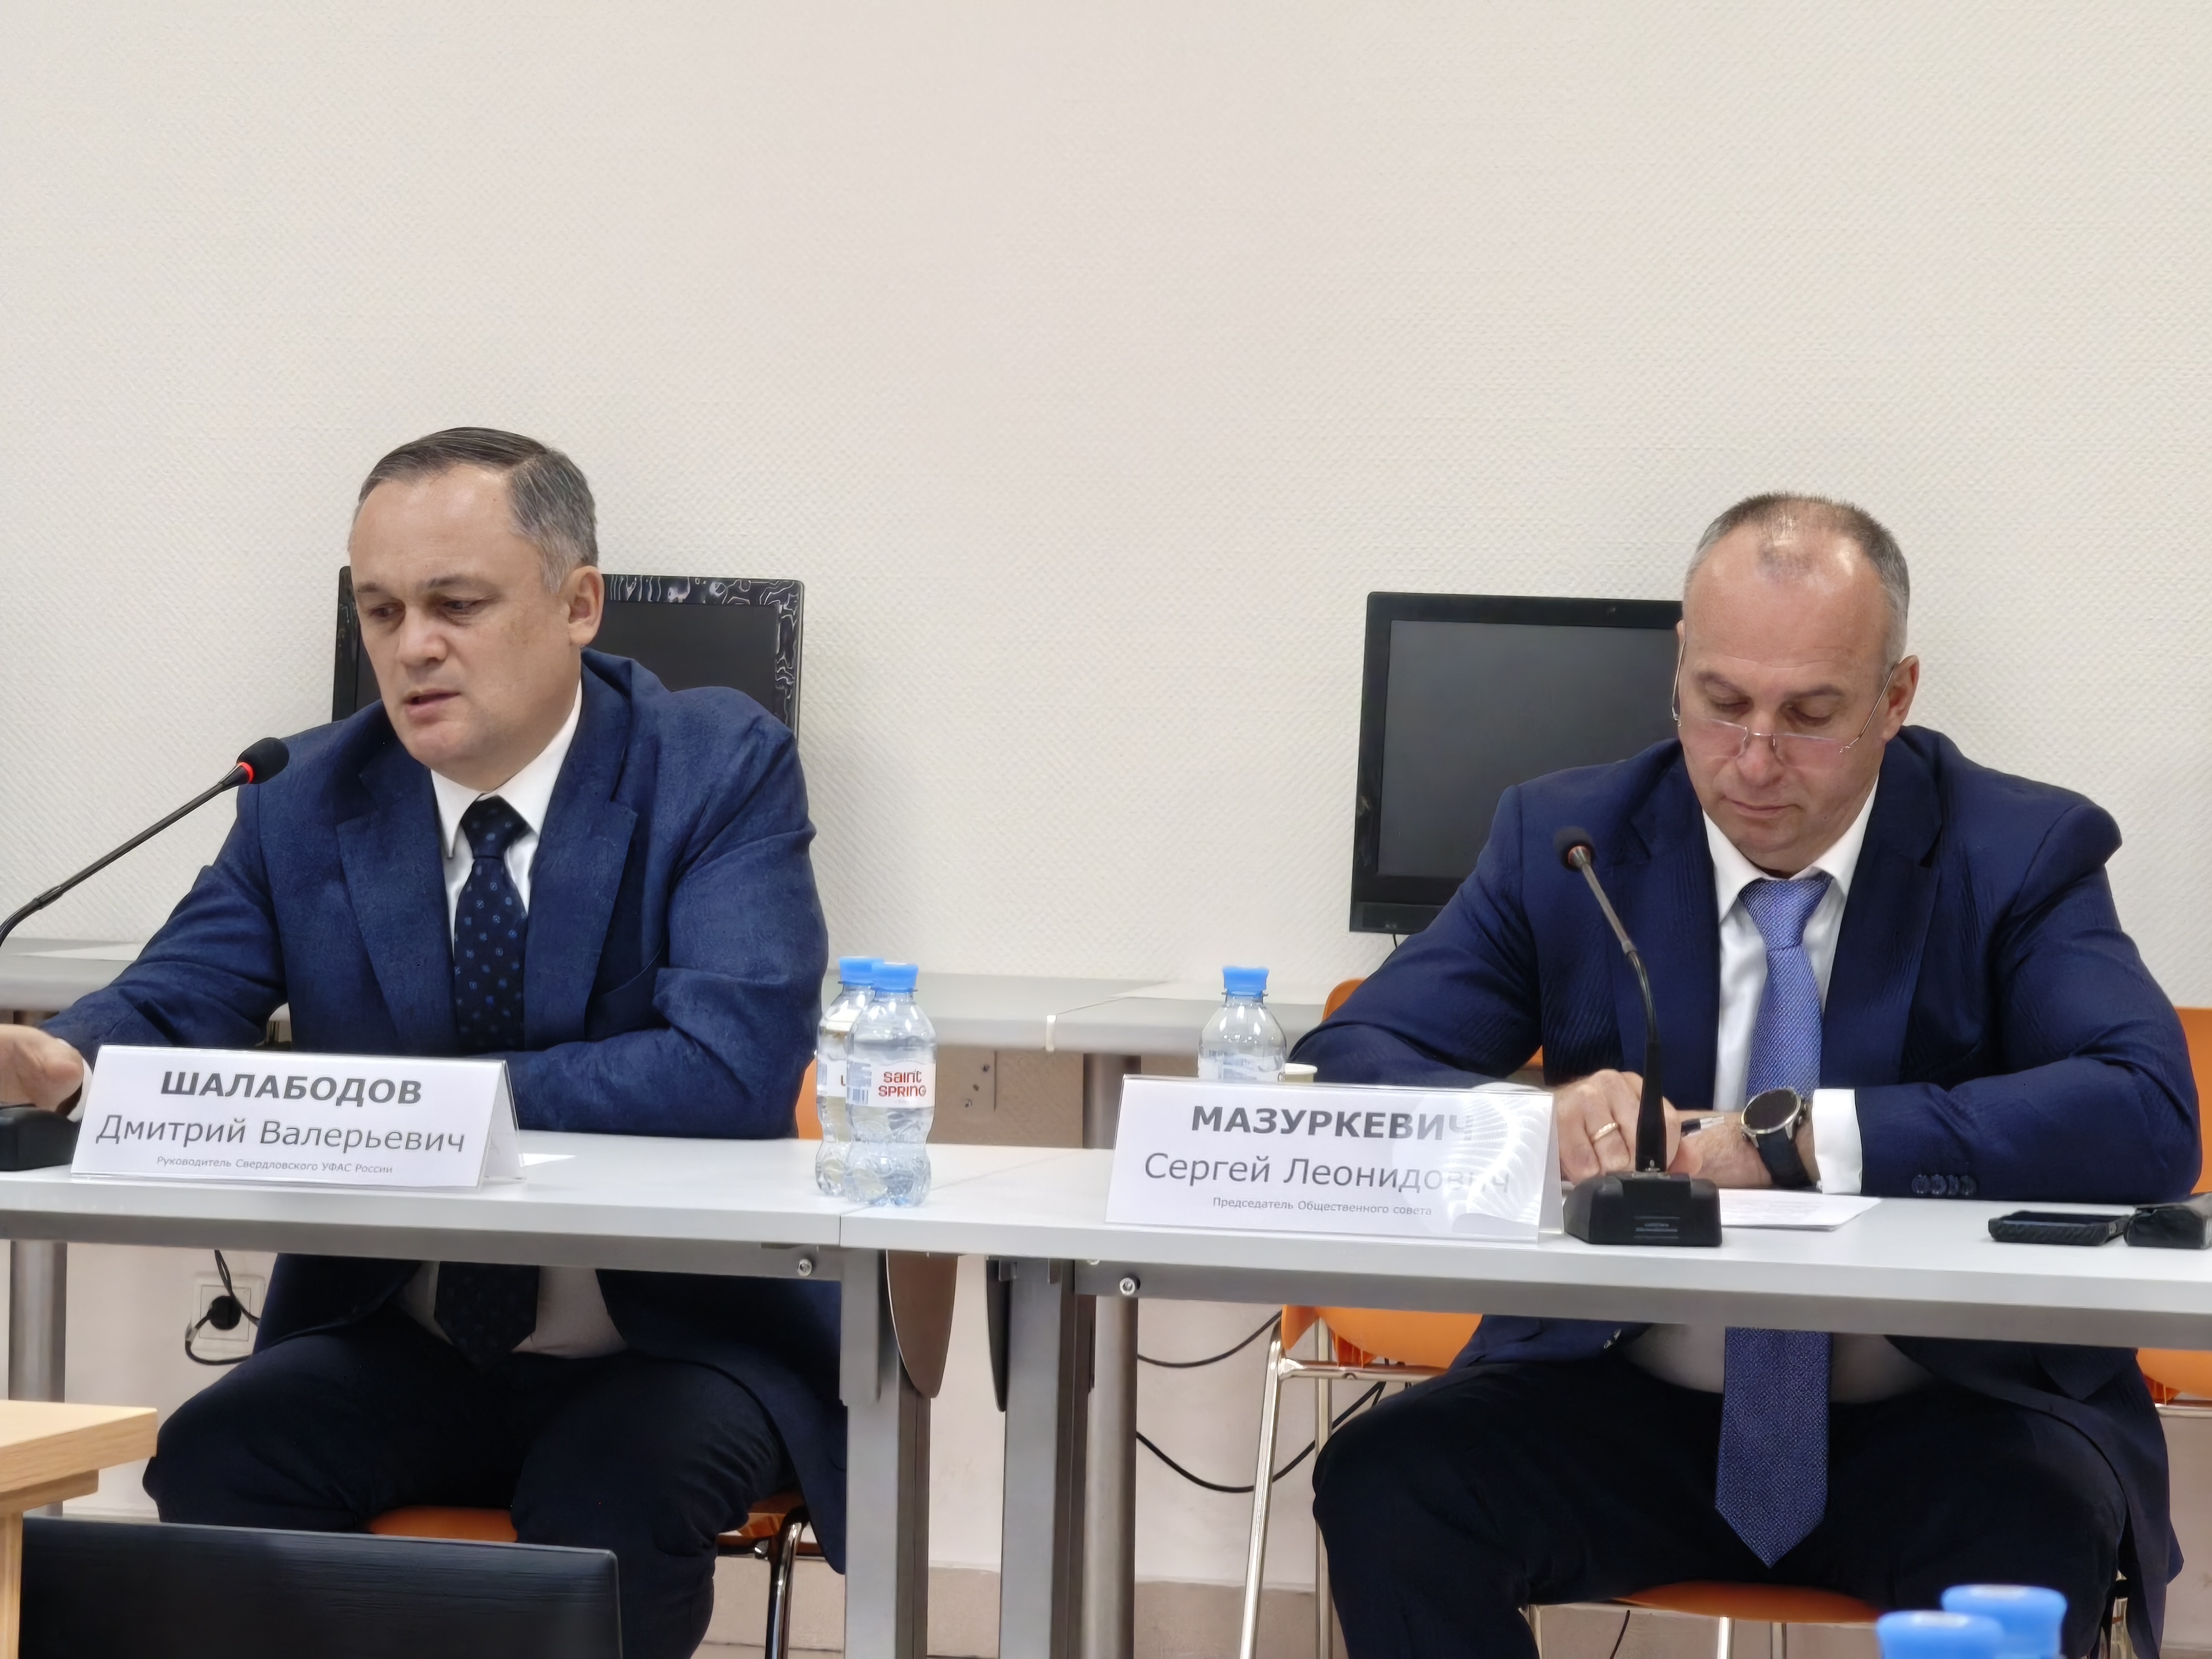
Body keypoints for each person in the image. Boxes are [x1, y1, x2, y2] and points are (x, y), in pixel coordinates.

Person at [1296, 495, 2198, 1659]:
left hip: (1946, 1416)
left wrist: (1797, 1139)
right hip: (1626, 1398)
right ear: (1678, 667)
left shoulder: (2017, 850)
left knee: (2042, 1522)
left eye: (1811, 716)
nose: (1755, 760)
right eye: (1721, 704)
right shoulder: (1569, 842)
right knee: (1391, 1479)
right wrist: (1531, 1119)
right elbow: (1352, 1062)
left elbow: (2146, 1108)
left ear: (1896, 698)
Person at [0, 428, 835, 1659]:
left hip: (673, 1344)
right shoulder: (301, 796)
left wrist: (422, 1105)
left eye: (457, 605)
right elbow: (182, 995)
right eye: (382, 611)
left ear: (578, 605)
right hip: (410, 1336)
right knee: (220, 1453)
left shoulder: (715, 766)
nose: (411, 648)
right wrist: (67, 1059)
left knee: (616, 1494)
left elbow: (731, 1067)